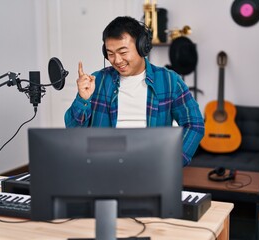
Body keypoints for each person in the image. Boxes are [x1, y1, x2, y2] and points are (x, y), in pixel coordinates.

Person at [64, 16, 204, 166]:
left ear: (141, 46)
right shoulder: (97, 80)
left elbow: (194, 124)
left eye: (123, 52)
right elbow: (73, 131)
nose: (117, 60)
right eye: (110, 54)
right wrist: (82, 99)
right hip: (104, 167)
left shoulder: (169, 80)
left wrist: (171, 161)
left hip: (151, 169)